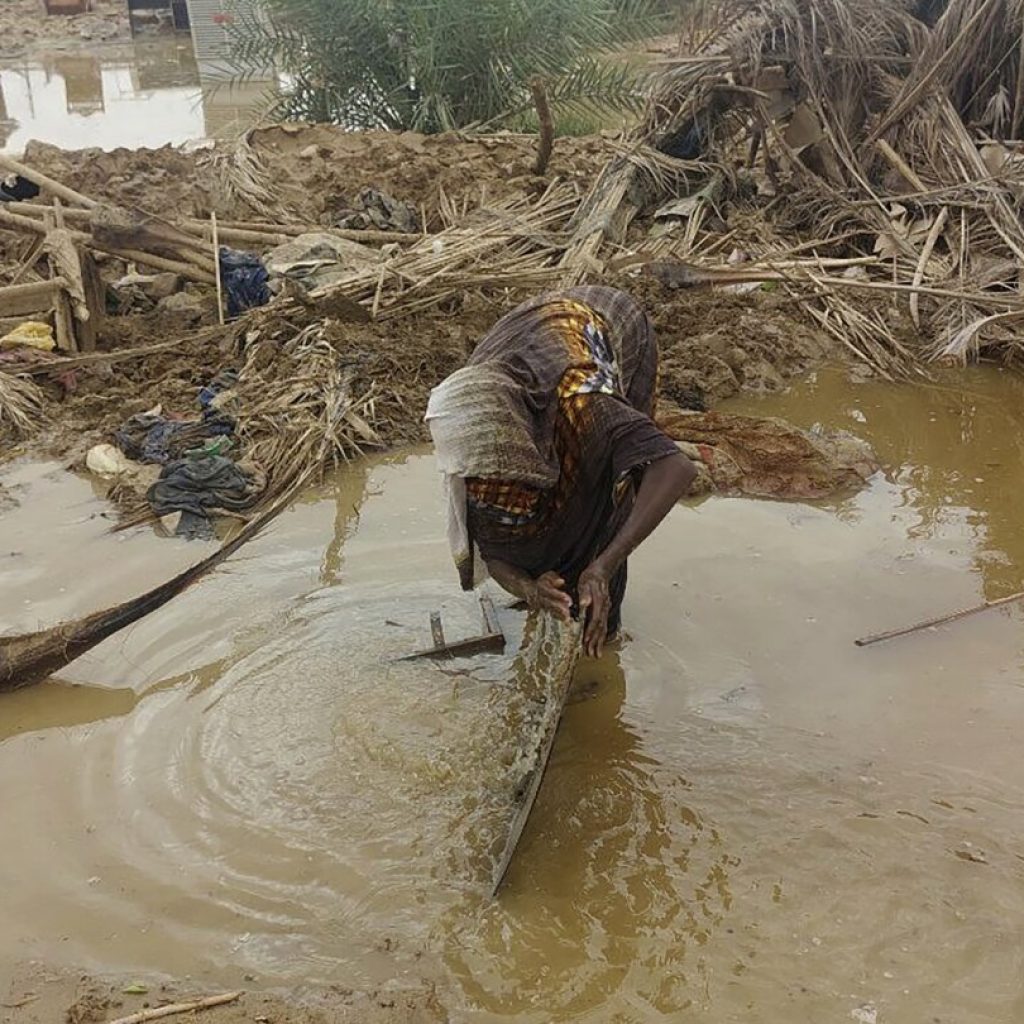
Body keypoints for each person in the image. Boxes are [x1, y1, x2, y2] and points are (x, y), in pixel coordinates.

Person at [426, 286, 696, 657]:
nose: (489, 486)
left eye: (498, 475)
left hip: (607, 325)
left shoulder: (585, 403)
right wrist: (529, 589)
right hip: (525, 338)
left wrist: (603, 565)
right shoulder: (471, 443)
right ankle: (565, 587)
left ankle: (602, 611)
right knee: (525, 512)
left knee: (609, 484)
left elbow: (674, 467)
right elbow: (495, 550)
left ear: (518, 443)